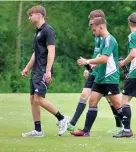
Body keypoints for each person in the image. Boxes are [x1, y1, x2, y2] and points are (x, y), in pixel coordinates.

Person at [67, 10, 122, 133]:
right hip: (98, 72)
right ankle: (80, 128)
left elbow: (103, 58)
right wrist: (90, 68)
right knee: (89, 99)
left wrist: (88, 62)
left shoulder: (107, 39)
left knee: (115, 102)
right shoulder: (99, 37)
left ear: (100, 23)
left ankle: (123, 127)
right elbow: (98, 56)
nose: (91, 25)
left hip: (107, 75)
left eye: (92, 21)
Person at [21, 5, 69, 137]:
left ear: (39, 14)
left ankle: (62, 118)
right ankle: (37, 130)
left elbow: (51, 51)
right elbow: (36, 53)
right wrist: (27, 68)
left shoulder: (48, 30)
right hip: (36, 70)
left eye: (31, 15)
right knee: (32, 99)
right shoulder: (37, 32)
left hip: (43, 70)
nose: (29, 18)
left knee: (39, 98)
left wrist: (48, 71)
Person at [113, 13, 136, 138]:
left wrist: (124, 62)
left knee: (124, 101)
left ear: (129, 23)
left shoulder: (132, 36)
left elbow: (134, 54)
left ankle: (127, 130)